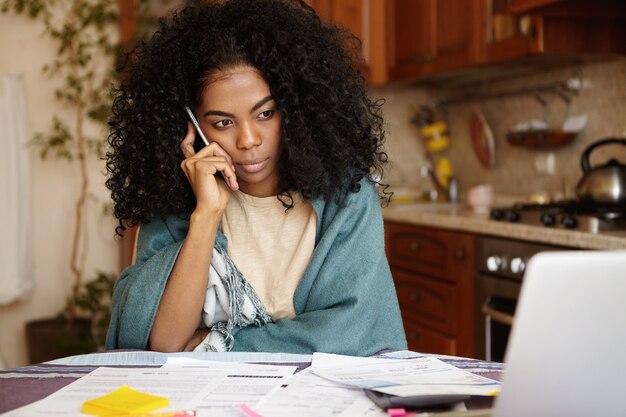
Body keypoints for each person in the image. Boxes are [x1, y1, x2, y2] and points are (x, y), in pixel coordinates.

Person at [104, 0, 407, 356]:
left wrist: (216, 345)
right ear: (192, 127)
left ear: (294, 107)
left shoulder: (346, 195)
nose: (248, 140)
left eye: (265, 113)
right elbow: (166, 343)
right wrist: (206, 215)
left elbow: (351, 331)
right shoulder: (177, 205)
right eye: (223, 122)